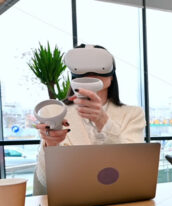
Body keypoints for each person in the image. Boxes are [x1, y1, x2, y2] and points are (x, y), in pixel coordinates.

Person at [33, 44, 146, 195]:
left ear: (111, 76)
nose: (91, 73)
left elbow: (132, 167)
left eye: (99, 67)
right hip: (69, 199)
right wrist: (51, 145)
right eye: (82, 68)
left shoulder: (132, 114)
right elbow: (45, 180)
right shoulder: (53, 112)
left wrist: (103, 121)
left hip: (117, 198)